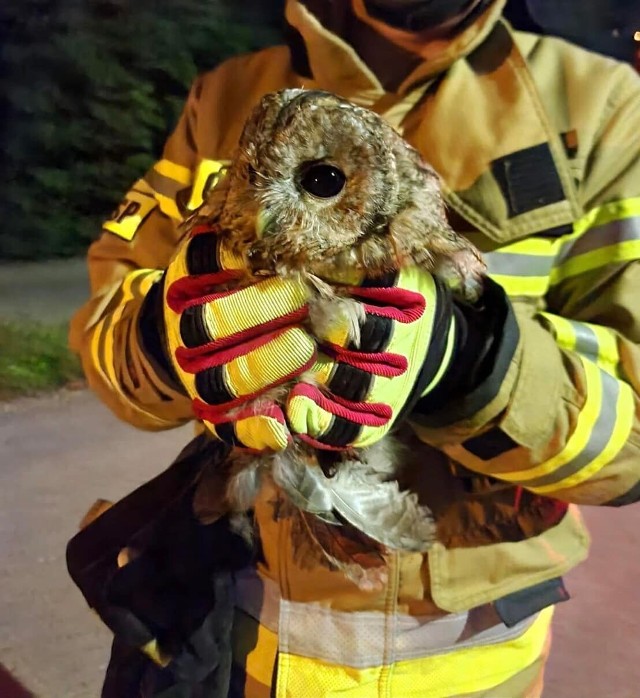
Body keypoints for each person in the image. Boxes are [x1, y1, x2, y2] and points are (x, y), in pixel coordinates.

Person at [68, 1, 640, 696]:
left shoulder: (600, 103)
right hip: (251, 641)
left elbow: (631, 435)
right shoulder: (228, 94)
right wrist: (162, 340)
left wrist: (474, 362)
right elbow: (105, 323)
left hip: (470, 658)